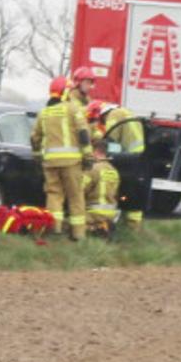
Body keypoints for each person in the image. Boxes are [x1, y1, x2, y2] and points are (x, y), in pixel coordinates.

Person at [31, 76, 88, 240]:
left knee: (54, 195)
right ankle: (78, 235)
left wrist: (37, 156)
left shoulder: (44, 112)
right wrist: (88, 155)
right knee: (75, 196)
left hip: (50, 163)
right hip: (72, 163)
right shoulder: (72, 109)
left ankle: (54, 230)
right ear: (64, 92)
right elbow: (83, 133)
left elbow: (35, 137)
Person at [87, 100, 148, 231]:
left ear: (101, 113)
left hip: (130, 156)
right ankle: (134, 228)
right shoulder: (125, 112)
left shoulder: (113, 115)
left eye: (100, 120)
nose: (101, 123)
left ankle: (126, 225)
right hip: (138, 157)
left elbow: (110, 139)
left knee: (123, 187)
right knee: (134, 192)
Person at [81, 136, 121, 238]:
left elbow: (79, 190)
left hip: (94, 212)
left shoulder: (93, 169)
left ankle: (96, 228)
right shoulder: (114, 171)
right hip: (112, 213)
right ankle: (104, 225)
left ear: (95, 151)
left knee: (71, 222)